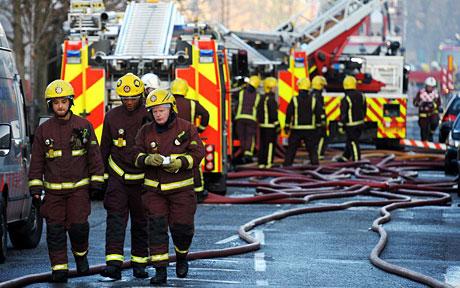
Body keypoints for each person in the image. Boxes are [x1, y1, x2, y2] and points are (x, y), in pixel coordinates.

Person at [28, 80, 104, 283]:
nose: (60, 106)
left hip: (79, 191)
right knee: (55, 232)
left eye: (63, 101)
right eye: (55, 102)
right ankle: (59, 268)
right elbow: (36, 161)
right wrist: (35, 187)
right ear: (50, 105)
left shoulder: (83, 126)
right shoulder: (44, 131)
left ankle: (81, 257)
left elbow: (94, 156)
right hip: (53, 194)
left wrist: (97, 183)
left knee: (79, 228)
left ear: (70, 102)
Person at [133, 89, 205, 285]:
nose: (158, 114)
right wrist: (146, 158)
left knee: (182, 229)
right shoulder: (145, 131)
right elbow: (136, 155)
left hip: (181, 191)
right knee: (156, 229)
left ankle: (182, 256)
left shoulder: (186, 128)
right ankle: (160, 271)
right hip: (154, 191)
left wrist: (181, 162)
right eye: (154, 111)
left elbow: (198, 153)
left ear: (171, 109)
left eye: (162, 110)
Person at [99, 73, 150, 280]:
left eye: (133, 98)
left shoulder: (149, 115)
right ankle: (113, 265)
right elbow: (104, 148)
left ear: (141, 95)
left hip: (143, 179)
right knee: (115, 221)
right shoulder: (112, 116)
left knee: (141, 222)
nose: (129, 102)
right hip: (118, 177)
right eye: (125, 98)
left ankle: (140, 264)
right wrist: (99, 178)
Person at [170, 78, 210, 202]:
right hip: (189, 138)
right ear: (185, 90)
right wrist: (200, 129)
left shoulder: (168, 103)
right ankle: (198, 192)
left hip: (171, 139)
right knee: (194, 164)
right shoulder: (192, 103)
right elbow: (206, 114)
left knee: (172, 164)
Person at [284, 77, 322, 166]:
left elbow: (289, 114)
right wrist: (319, 127)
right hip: (310, 130)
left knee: (291, 149)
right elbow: (318, 114)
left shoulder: (294, 100)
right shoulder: (313, 100)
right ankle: (315, 166)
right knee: (312, 150)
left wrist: (286, 126)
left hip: (296, 129)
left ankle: (287, 165)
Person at [337, 75, 367, 162]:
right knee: (350, 140)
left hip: (351, 125)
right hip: (360, 123)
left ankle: (357, 160)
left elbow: (344, 114)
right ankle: (345, 156)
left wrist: (341, 125)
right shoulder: (362, 95)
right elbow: (364, 109)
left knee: (353, 142)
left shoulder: (346, 98)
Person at [234, 75, 261, 163]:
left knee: (241, 137)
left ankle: (239, 154)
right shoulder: (258, 96)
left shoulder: (241, 92)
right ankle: (248, 155)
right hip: (251, 119)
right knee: (250, 138)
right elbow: (259, 109)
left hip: (240, 118)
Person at [257, 77, 280, 168]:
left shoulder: (262, 98)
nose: (275, 89)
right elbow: (273, 114)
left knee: (263, 145)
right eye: (274, 87)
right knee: (270, 145)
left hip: (262, 126)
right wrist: (277, 125)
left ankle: (261, 163)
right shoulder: (271, 99)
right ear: (270, 87)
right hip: (270, 127)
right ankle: (269, 163)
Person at [413, 76, 441, 141]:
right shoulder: (421, 93)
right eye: (429, 86)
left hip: (432, 114)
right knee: (423, 130)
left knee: (435, 121)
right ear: (426, 86)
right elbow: (415, 102)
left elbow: (439, 103)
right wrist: (419, 103)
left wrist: (432, 105)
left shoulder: (436, 94)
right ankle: (424, 142)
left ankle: (431, 133)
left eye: (432, 87)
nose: (430, 88)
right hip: (423, 115)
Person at [310, 76, 328, 159]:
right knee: (322, 137)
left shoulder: (311, 94)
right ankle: (319, 154)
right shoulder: (318, 96)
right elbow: (320, 109)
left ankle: (314, 154)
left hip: (311, 121)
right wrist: (323, 119)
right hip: (317, 121)